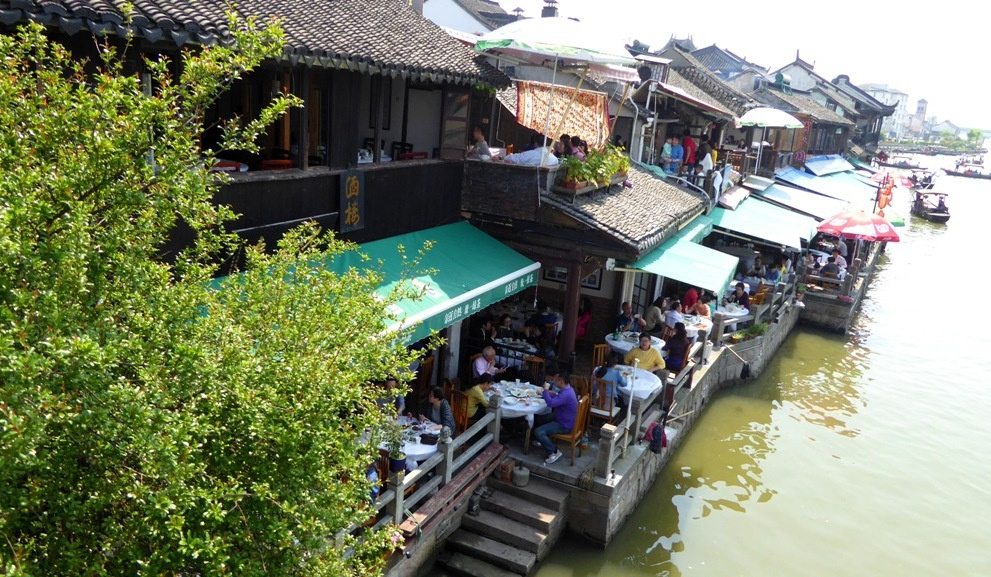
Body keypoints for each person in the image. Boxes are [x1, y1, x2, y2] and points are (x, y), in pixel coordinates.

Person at [533, 373, 579, 465]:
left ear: (561, 382)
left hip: (564, 424)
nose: (554, 381)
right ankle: (542, 441)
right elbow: (558, 396)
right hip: (565, 418)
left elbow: (550, 403)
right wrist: (550, 393)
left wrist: (546, 391)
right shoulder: (568, 389)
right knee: (541, 418)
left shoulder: (566, 394)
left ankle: (554, 452)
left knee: (538, 431)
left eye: (556, 380)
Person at [592, 352, 628, 422]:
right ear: (614, 365)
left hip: (596, 401)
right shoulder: (616, 373)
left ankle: (598, 420)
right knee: (621, 400)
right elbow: (624, 384)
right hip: (608, 405)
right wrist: (625, 377)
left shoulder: (598, 371)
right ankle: (612, 421)